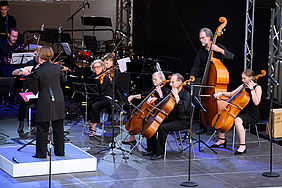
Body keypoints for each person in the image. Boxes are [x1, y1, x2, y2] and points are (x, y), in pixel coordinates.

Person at [189, 27, 234, 134]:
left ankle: (214, 124)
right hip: (204, 80)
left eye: (203, 38)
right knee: (200, 99)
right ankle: (203, 125)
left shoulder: (218, 47)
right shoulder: (201, 52)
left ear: (209, 37)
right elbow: (196, 66)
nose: (201, 40)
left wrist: (219, 50)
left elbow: (231, 56)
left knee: (213, 102)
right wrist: (192, 76)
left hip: (215, 80)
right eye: (200, 38)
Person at [211, 69, 262, 155]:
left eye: (244, 78)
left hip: (252, 114)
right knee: (222, 113)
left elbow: (256, 102)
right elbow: (231, 94)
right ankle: (222, 140)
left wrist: (251, 90)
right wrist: (221, 93)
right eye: (242, 78)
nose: (243, 80)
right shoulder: (243, 86)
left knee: (238, 120)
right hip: (241, 111)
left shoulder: (257, 88)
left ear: (251, 78)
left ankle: (243, 145)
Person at [143, 73, 190, 160]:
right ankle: (152, 149)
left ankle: (159, 153)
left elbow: (181, 109)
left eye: (173, 82)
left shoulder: (186, 95)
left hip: (182, 121)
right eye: (170, 82)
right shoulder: (171, 92)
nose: (170, 84)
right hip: (172, 118)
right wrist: (158, 98)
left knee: (162, 127)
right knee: (151, 122)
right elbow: (165, 104)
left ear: (179, 82)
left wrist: (176, 96)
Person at [32, 46, 65, 158]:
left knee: (42, 128)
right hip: (58, 100)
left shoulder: (38, 71)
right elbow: (63, 82)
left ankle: (41, 154)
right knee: (59, 128)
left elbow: (34, 90)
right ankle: (60, 152)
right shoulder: (58, 68)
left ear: (40, 56)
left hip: (45, 101)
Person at [124, 71, 169, 145]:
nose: (154, 81)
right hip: (149, 112)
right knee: (131, 114)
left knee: (147, 122)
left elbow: (164, 103)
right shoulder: (154, 88)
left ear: (161, 80)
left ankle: (151, 148)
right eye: (153, 79)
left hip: (158, 114)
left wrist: (160, 93)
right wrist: (133, 96)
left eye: (155, 79)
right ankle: (132, 138)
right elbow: (144, 95)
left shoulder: (166, 90)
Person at [12, 46, 41, 134]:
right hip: (31, 90)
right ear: (36, 53)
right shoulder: (30, 63)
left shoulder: (45, 65)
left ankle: (41, 124)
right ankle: (21, 123)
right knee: (22, 100)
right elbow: (18, 73)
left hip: (41, 91)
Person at [87, 59, 112, 137]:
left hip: (105, 98)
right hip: (95, 97)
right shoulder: (92, 77)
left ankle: (93, 128)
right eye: (94, 67)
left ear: (102, 67)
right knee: (84, 105)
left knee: (95, 106)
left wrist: (97, 83)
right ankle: (90, 123)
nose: (96, 69)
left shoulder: (106, 78)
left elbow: (102, 91)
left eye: (98, 67)